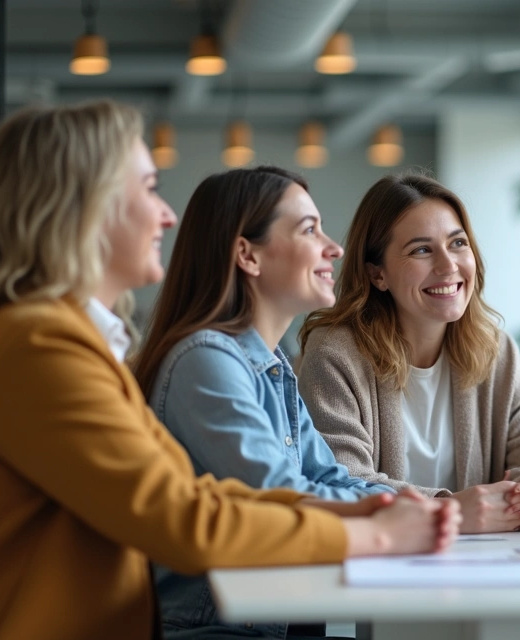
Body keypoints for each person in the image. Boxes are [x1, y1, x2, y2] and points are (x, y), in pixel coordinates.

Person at [0, 101, 459, 640]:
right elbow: (184, 520)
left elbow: (205, 499)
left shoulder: (58, 342)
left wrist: (379, 512)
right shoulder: (39, 348)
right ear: (83, 205)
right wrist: (379, 534)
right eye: (149, 189)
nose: (167, 215)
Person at [131, 166, 405, 638]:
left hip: (270, 622)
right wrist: (403, 517)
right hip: (216, 630)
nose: (335, 248)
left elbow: (327, 478)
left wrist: (431, 507)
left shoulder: (272, 364)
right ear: (247, 255)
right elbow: (280, 496)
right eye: (309, 229)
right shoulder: (204, 360)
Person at [298, 173, 520, 533]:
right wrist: (452, 510)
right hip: (380, 559)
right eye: (421, 250)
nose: (448, 266)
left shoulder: (496, 351)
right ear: (377, 274)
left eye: (458, 243)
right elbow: (341, 485)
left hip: (489, 560)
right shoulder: (335, 355)